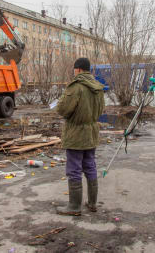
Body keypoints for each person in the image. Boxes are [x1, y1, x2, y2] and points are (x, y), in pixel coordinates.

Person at [56, 58, 105, 216]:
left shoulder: (76, 87)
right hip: (91, 132)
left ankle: (74, 207)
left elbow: (63, 109)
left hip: (76, 133)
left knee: (74, 169)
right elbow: (101, 109)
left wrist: (61, 103)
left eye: (74, 69)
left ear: (78, 70)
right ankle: (92, 203)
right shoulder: (98, 87)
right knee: (90, 166)